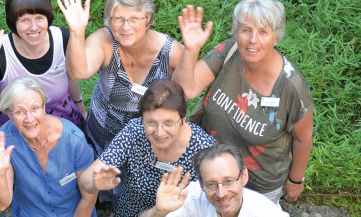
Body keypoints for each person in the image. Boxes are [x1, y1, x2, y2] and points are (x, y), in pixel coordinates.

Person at [173, 0, 313, 203]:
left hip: (259, 187)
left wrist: (296, 180)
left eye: (263, 32)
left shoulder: (291, 87)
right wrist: (191, 49)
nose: (252, 40)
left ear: (276, 37)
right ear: (236, 31)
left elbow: (303, 139)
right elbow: (184, 91)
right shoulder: (228, 53)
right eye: (246, 30)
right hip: (213, 175)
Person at [58, 0, 185, 156]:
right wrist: (77, 32)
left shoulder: (171, 53)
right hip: (101, 133)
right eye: (118, 19)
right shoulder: (104, 40)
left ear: (149, 21)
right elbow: (78, 72)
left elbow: (186, 95)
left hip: (147, 138)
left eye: (134, 19)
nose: (126, 27)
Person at [78, 79, 215, 217]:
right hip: (130, 212)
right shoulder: (134, 131)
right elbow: (85, 180)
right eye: (151, 122)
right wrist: (93, 183)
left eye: (168, 123)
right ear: (142, 117)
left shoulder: (204, 150)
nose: (159, 132)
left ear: (183, 118)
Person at [0, 77, 97, 216]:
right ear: (9, 115)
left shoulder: (73, 139)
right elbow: (1, 205)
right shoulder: (5, 141)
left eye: (35, 108)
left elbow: (89, 195)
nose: (29, 119)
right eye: (19, 111)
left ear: (44, 107)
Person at [0, 0, 86, 131]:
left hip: (64, 126)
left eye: (39, 18)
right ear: (14, 22)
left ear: (48, 18)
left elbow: (71, 77)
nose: (34, 27)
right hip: (17, 131)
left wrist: (80, 107)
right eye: (25, 20)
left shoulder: (63, 38)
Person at [140, 144, 289, 217]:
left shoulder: (266, 212)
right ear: (201, 184)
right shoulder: (192, 195)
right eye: (211, 184)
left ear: (243, 176)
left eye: (228, 181)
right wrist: (157, 212)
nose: (221, 193)